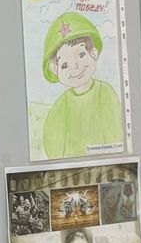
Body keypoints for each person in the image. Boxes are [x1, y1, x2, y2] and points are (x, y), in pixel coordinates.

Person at [40, 12, 125, 159]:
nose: (76, 67)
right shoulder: (61, 105)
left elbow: (115, 133)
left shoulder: (105, 93)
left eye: (81, 55)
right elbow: (52, 141)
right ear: (55, 69)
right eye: (65, 65)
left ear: (93, 53)